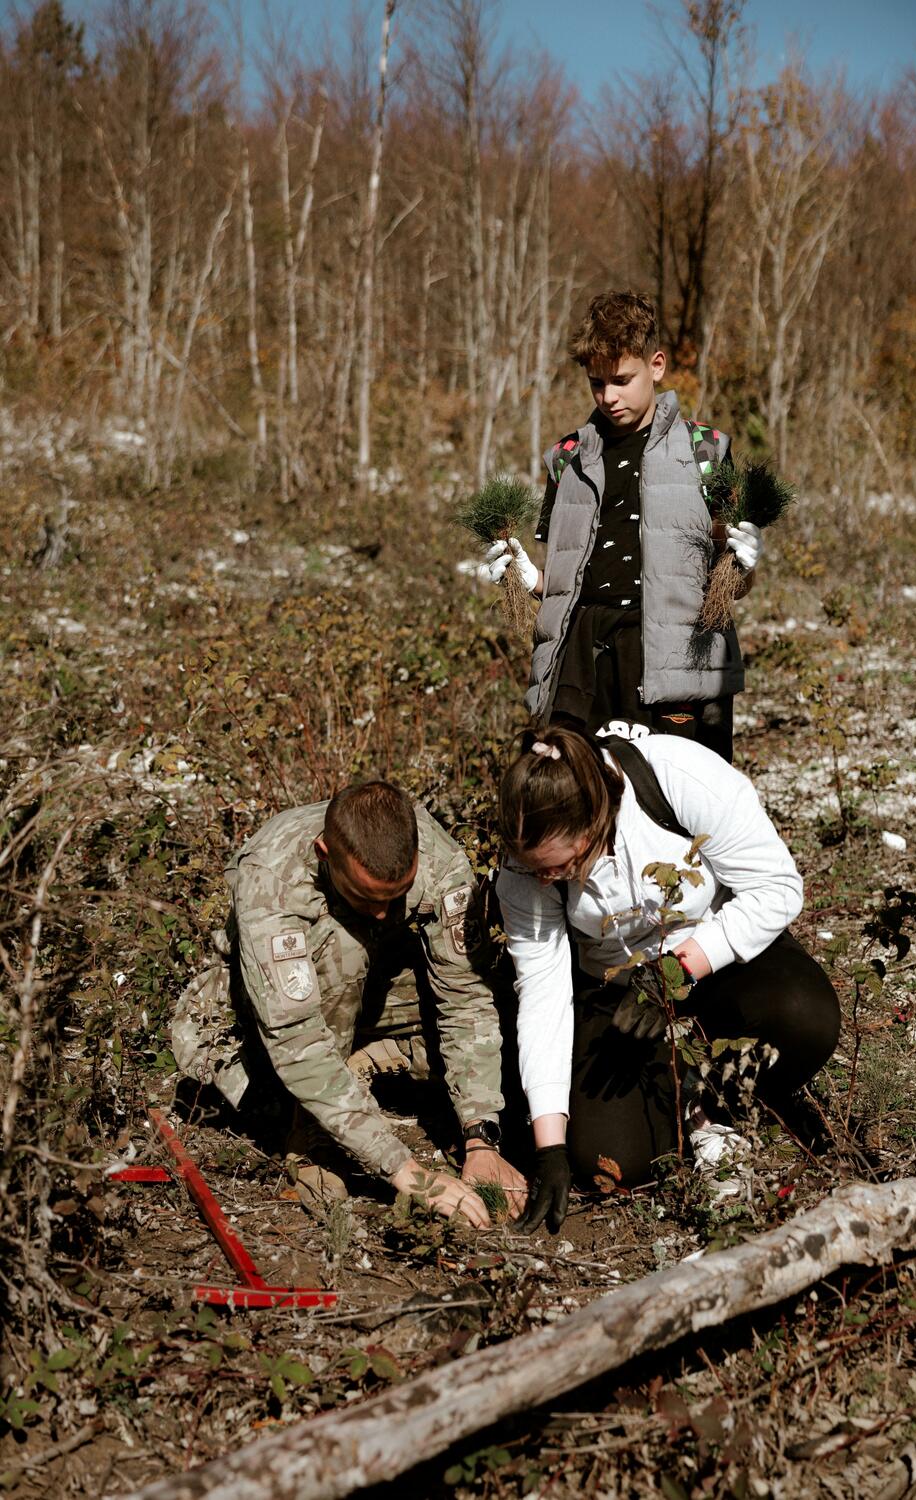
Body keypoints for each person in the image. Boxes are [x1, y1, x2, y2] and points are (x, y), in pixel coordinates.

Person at [495, 724, 840, 1234]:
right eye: (536, 870)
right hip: (616, 992)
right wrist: (551, 1146)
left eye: (560, 867)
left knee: (803, 1017)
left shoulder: (676, 775)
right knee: (609, 1160)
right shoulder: (525, 867)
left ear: (594, 822)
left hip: (716, 962)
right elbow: (543, 990)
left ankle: (722, 1104)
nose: (546, 880)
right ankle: (689, 1101)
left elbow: (777, 889)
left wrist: (676, 971)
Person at [172, 781, 526, 1229]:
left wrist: (480, 1138)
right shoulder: (273, 879)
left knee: (506, 1006)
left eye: (394, 898)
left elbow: (464, 998)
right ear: (324, 854)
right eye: (366, 897)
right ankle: (313, 1133)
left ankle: (368, 1061)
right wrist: (404, 1169)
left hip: (380, 990)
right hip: (277, 1005)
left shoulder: (439, 862)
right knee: (346, 946)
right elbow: (294, 1036)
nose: (382, 913)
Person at [481, 290, 762, 762]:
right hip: (584, 661)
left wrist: (747, 564)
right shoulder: (567, 459)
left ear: (656, 365)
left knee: (677, 811)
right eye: (596, 383)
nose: (608, 397)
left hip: (673, 665)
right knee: (581, 805)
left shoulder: (706, 451)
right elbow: (565, 578)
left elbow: (729, 582)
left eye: (621, 380)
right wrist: (531, 581)